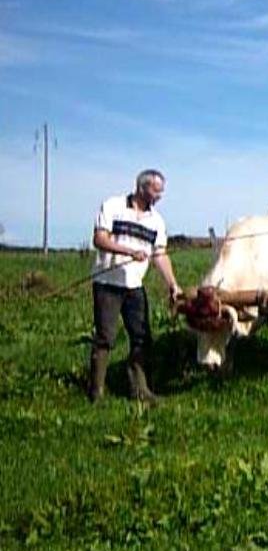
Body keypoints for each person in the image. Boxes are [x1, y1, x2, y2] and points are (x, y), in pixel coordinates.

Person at [88, 169, 182, 404]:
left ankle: (139, 390)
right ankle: (96, 391)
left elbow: (160, 254)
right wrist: (129, 251)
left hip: (134, 286)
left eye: (162, 192)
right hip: (108, 283)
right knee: (105, 338)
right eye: (156, 190)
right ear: (141, 187)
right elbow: (99, 239)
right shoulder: (113, 206)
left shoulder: (156, 221)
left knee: (142, 338)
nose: (159, 196)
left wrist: (172, 284)